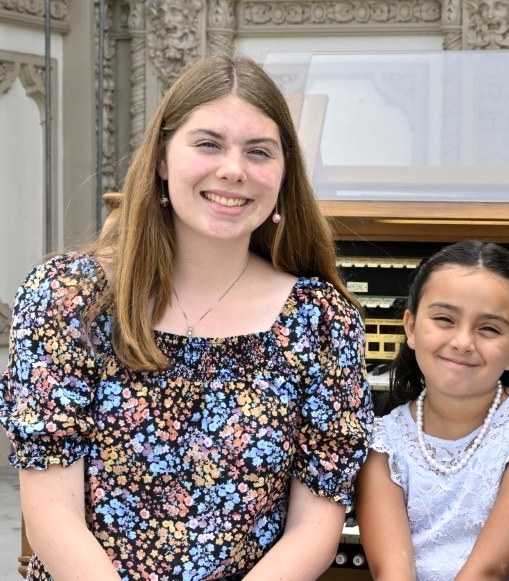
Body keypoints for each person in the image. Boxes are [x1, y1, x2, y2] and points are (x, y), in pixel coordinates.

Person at [0, 54, 373, 580]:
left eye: (259, 152)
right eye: (208, 144)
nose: (233, 169)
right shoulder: (65, 298)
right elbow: (51, 513)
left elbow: (314, 526)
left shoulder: (321, 321)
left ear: (283, 173)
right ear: (160, 159)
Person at [355, 240, 509, 581]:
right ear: (411, 327)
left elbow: (490, 571)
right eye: (445, 319)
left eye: (488, 328)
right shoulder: (383, 443)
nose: (462, 342)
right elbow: (392, 571)